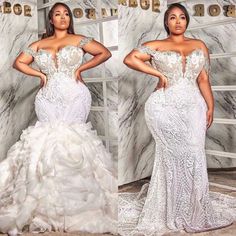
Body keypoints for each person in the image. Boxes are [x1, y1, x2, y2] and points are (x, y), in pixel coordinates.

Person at [0, 2, 117, 235]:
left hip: (75, 95)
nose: (62, 17)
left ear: (69, 19)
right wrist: (40, 74)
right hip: (47, 98)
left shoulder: (80, 40)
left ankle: (77, 200)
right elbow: (18, 62)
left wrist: (80, 70)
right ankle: (44, 199)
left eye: (66, 14)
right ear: (51, 20)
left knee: (73, 139)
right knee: (46, 139)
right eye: (57, 14)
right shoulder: (39, 44)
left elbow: (105, 52)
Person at [119, 3, 235, 236]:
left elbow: (202, 79)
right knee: (172, 155)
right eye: (173, 17)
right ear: (166, 22)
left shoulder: (199, 45)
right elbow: (130, 59)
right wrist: (158, 73)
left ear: (186, 21)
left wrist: (210, 106)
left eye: (182, 17)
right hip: (163, 106)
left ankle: (193, 208)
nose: (178, 21)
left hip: (193, 106)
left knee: (193, 152)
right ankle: (170, 210)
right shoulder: (156, 46)